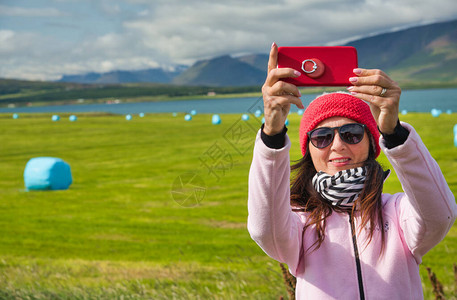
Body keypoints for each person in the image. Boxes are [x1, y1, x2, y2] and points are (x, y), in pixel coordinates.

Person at [247, 42, 457, 299]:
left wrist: (395, 135)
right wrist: (272, 134)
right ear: (309, 152)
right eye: (322, 137)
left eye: (351, 134)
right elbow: (264, 230)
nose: (338, 146)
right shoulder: (300, 223)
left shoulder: (397, 212)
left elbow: (440, 216)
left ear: (371, 143)